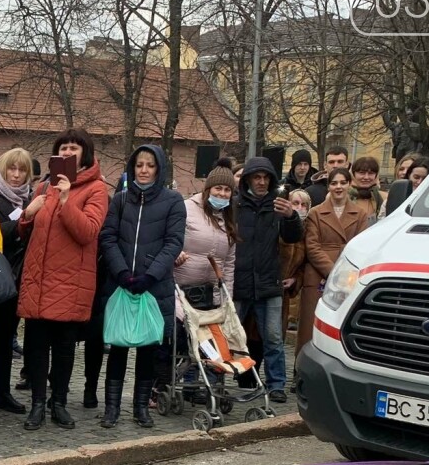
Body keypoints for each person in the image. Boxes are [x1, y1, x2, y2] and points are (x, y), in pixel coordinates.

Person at [17, 129, 110, 431]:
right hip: (39, 278)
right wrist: (27, 216)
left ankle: (59, 403)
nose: (68, 152)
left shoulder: (96, 189)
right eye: (64, 148)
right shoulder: (45, 186)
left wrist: (68, 199)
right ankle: (38, 405)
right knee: (36, 346)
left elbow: (87, 232)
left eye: (74, 148)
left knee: (64, 347)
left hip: (71, 281)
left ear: (86, 153)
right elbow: (27, 231)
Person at [95, 143, 186, 428]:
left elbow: (173, 243)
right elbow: (108, 237)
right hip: (122, 283)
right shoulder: (121, 200)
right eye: (139, 165)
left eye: (150, 165)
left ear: (159, 169)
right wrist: (121, 272)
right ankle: (111, 408)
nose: (144, 170)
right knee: (119, 347)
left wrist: (151, 275)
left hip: (153, 287)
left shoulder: (173, 201)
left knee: (148, 350)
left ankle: (141, 408)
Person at [232, 156, 301, 403]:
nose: (261, 182)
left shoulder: (279, 206)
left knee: (273, 339)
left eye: (265, 178)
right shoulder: (235, 205)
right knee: (230, 336)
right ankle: (217, 379)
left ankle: (276, 384)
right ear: (248, 179)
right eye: (256, 177)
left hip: (268, 282)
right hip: (239, 282)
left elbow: (293, 238)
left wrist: (292, 217)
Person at [173, 160, 238, 386]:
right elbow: (172, 240)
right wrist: (176, 255)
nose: (222, 193)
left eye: (227, 190)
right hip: (182, 291)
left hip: (211, 295)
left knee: (212, 340)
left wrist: (226, 301)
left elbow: (228, 265)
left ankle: (211, 385)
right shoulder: (186, 208)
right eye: (218, 188)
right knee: (188, 337)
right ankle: (185, 382)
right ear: (208, 188)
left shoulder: (228, 219)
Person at [0, 148, 35, 415]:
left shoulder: (30, 198)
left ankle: (3, 392)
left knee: (6, 339)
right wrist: (23, 219)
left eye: (21, 170)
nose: (16, 175)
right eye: (11, 169)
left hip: (19, 279)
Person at [299, 167, 369, 354]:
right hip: (318, 276)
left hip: (349, 277)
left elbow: (361, 246)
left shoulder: (360, 214)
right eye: (334, 183)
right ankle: (301, 371)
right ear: (328, 186)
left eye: (342, 182)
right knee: (309, 327)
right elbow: (312, 246)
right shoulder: (315, 213)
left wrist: (342, 275)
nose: (338, 187)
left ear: (349, 184)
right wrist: (333, 274)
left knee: (340, 326)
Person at [280, 188, 311, 333]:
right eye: (296, 203)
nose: (299, 208)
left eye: (304, 204)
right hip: (268, 287)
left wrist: (295, 280)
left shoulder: (309, 231)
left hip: (287, 292)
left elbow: (305, 264)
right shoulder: (278, 224)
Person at [350, 156, 382, 223]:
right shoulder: (342, 196)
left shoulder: (381, 197)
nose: (366, 177)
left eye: (371, 173)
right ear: (353, 174)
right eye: (362, 173)